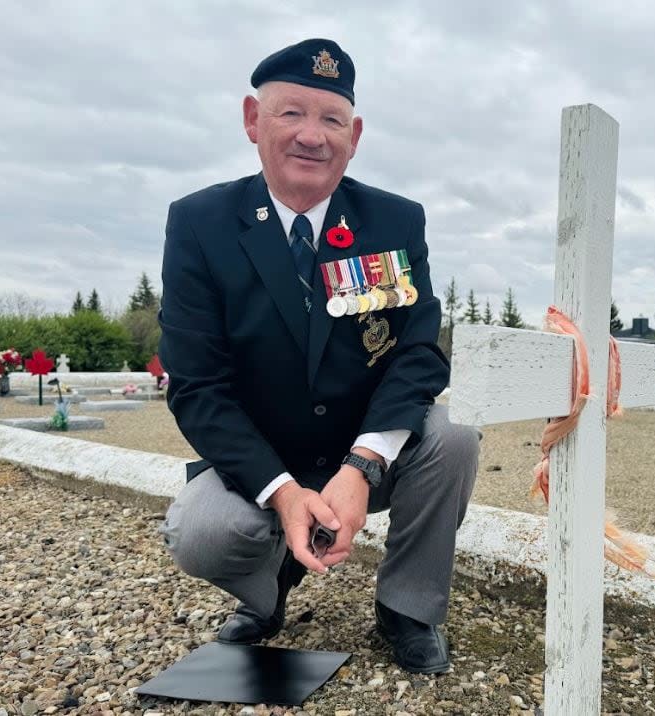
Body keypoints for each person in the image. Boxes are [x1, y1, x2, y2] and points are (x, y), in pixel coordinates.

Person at [157, 38, 480, 675]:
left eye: (331, 119)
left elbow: (416, 351)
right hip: (263, 454)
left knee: (454, 439)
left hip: (361, 443)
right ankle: (266, 590)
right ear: (253, 120)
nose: (313, 136)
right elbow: (196, 384)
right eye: (291, 114)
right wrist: (280, 490)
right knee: (201, 532)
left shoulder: (393, 221)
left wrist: (362, 466)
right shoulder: (201, 223)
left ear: (354, 134)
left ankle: (407, 608)